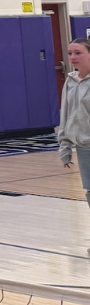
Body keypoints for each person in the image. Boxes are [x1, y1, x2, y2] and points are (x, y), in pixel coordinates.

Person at [58, 38, 90, 251]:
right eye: (70, 53)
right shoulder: (70, 81)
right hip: (84, 147)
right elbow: (66, 114)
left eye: (77, 53)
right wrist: (65, 147)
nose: (72, 58)